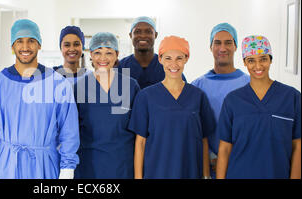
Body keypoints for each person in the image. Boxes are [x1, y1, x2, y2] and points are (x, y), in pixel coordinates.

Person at [0, 19, 80, 179]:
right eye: (19, 41)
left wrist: (67, 168)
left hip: (45, 165)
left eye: (31, 41)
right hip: (8, 166)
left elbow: (69, 129)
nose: (25, 47)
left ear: (39, 45)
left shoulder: (58, 83)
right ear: (12, 46)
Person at [129, 36, 214, 179]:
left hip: (190, 171)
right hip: (157, 172)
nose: (173, 64)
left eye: (179, 58)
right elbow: (140, 143)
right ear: (160, 59)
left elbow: (204, 140)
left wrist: (206, 176)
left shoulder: (198, 96)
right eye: (168, 58)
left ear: (186, 58)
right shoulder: (146, 97)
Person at [216, 35, 301, 179]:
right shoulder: (233, 100)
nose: (258, 66)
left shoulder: (291, 97)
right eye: (251, 60)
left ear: (270, 60)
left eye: (263, 59)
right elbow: (224, 149)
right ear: (244, 62)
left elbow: (298, 146)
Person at [73, 32, 140, 179]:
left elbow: (140, 133)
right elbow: (71, 131)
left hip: (123, 165)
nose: (103, 58)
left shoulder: (131, 86)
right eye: (97, 52)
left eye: (109, 52)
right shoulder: (79, 88)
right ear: (90, 54)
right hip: (89, 165)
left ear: (117, 54)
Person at [191, 23, 250, 177]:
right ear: (210, 47)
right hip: (208, 167)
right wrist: (211, 159)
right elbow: (194, 131)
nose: (222, 48)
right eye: (217, 42)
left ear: (236, 46)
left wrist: (228, 159)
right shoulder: (197, 86)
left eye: (228, 42)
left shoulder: (250, 84)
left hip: (242, 163)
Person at [118, 16, 185, 89]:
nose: (143, 36)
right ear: (131, 35)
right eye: (137, 32)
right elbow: (111, 97)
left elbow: (183, 95)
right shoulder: (121, 67)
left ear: (155, 35)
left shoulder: (168, 66)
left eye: (148, 32)